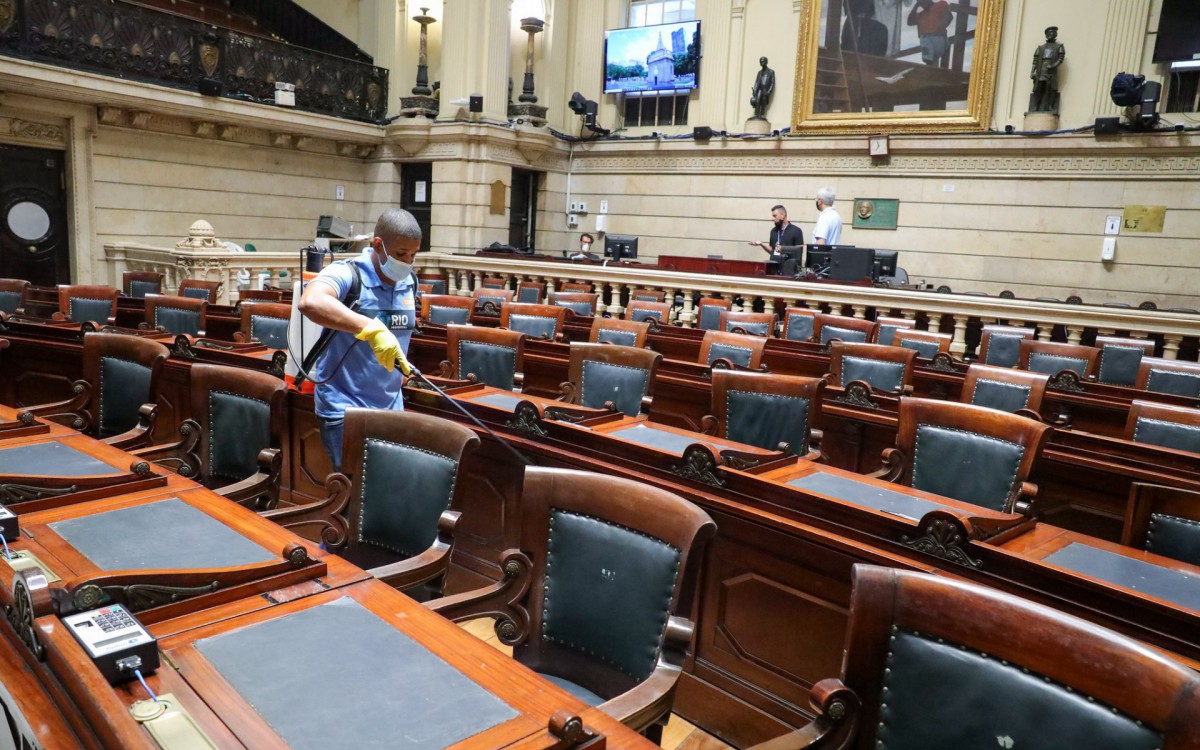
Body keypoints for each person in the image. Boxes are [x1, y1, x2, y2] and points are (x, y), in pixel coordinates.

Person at [297, 208, 421, 470]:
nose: (408, 261)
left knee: (385, 491)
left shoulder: (409, 280)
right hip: (345, 408)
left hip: (391, 407)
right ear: (378, 245)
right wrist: (370, 328)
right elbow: (311, 301)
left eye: (413, 254)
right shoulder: (348, 274)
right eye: (400, 254)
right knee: (355, 498)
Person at [748, 204, 804, 274]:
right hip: (773, 269)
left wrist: (783, 249)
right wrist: (761, 244)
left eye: (775, 216)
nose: (772, 219)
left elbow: (799, 250)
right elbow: (772, 250)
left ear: (782, 215)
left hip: (789, 270)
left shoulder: (796, 231)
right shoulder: (773, 231)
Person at [1029, 26, 1065, 114]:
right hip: (1041, 71)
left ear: (1055, 34)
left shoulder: (1059, 46)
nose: (1050, 34)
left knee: (1050, 88)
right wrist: (1032, 71)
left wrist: (1053, 66)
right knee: (1039, 87)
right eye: (1049, 33)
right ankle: (1036, 106)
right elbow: (1035, 60)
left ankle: (1050, 106)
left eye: (1052, 32)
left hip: (1051, 72)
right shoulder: (1041, 48)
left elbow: (1060, 59)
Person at [907, 0, 953, 67]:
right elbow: (909, 22)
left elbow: (949, 17)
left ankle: (929, 64)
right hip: (928, 42)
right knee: (933, 62)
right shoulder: (921, 14)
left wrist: (939, 28)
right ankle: (931, 69)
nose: (922, 4)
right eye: (920, 3)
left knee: (925, 40)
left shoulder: (940, 4)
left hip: (938, 38)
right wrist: (916, 6)